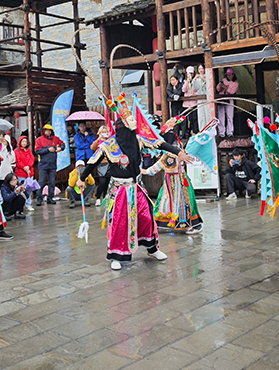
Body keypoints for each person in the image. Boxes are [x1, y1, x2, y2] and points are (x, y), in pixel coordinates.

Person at [76, 94, 188, 270]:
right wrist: (82, 179)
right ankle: (116, 255)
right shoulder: (108, 145)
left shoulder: (138, 140)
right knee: (121, 222)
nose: (131, 134)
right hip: (120, 190)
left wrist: (177, 152)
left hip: (137, 186)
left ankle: (152, 248)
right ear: (121, 129)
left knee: (146, 216)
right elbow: (92, 162)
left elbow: (158, 143)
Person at [143, 130, 203, 234]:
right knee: (182, 203)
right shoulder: (180, 152)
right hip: (178, 180)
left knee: (173, 203)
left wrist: (138, 170)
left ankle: (191, 225)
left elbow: (152, 170)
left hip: (176, 182)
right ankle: (192, 224)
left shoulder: (168, 156)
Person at [34, 124, 64, 206]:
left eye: (49, 130)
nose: (48, 132)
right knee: (41, 182)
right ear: (43, 131)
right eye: (46, 130)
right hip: (43, 165)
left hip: (52, 164)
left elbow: (63, 144)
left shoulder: (56, 139)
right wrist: (48, 150)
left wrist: (61, 148)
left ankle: (50, 198)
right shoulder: (39, 140)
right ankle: (39, 199)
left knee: (52, 182)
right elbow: (37, 151)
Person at [13, 135, 36, 213]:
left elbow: (32, 159)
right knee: (20, 189)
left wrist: (28, 167)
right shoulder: (16, 151)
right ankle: (20, 205)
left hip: (29, 173)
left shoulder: (28, 150)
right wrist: (24, 167)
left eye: (26, 141)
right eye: (23, 141)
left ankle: (28, 204)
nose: (24, 143)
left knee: (29, 189)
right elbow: (17, 161)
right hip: (20, 173)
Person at [216, 68, 239, 137]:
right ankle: (221, 132)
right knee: (221, 115)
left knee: (230, 116)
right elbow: (217, 89)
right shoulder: (223, 80)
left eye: (230, 75)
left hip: (229, 99)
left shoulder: (235, 83)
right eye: (228, 75)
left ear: (233, 75)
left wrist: (226, 88)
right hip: (221, 98)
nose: (229, 76)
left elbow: (232, 92)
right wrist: (220, 86)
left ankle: (230, 132)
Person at [91, 126, 111, 207]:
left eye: (105, 131)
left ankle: (105, 198)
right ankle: (98, 197)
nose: (104, 133)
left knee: (107, 182)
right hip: (101, 163)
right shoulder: (98, 141)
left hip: (109, 163)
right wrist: (99, 139)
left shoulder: (110, 141)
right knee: (102, 182)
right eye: (102, 132)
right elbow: (92, 148)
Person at [181, 66, 198, 138]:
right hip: (186, 104)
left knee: (194, 118)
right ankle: (186, 133)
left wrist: (193, 94)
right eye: (189, 73)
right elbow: (183, 90)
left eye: (192, 73)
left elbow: (197, 90)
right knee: (187, 119)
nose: (190, 74)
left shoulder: (196, 80)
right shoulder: (184, 81)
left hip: (194, 102)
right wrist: (187, 81)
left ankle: (195, 131)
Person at [194, 64, 211, 131]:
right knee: (201, 115)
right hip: (200, 98)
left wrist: (204, 80)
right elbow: (195, 88)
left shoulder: (208, 76)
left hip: (207, 98)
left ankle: (208, 129)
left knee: (207, 114)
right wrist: (194, 80)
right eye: (199, 69)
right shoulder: (197, 79)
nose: (201, 70)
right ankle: (202, 129)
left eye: (202, 68)